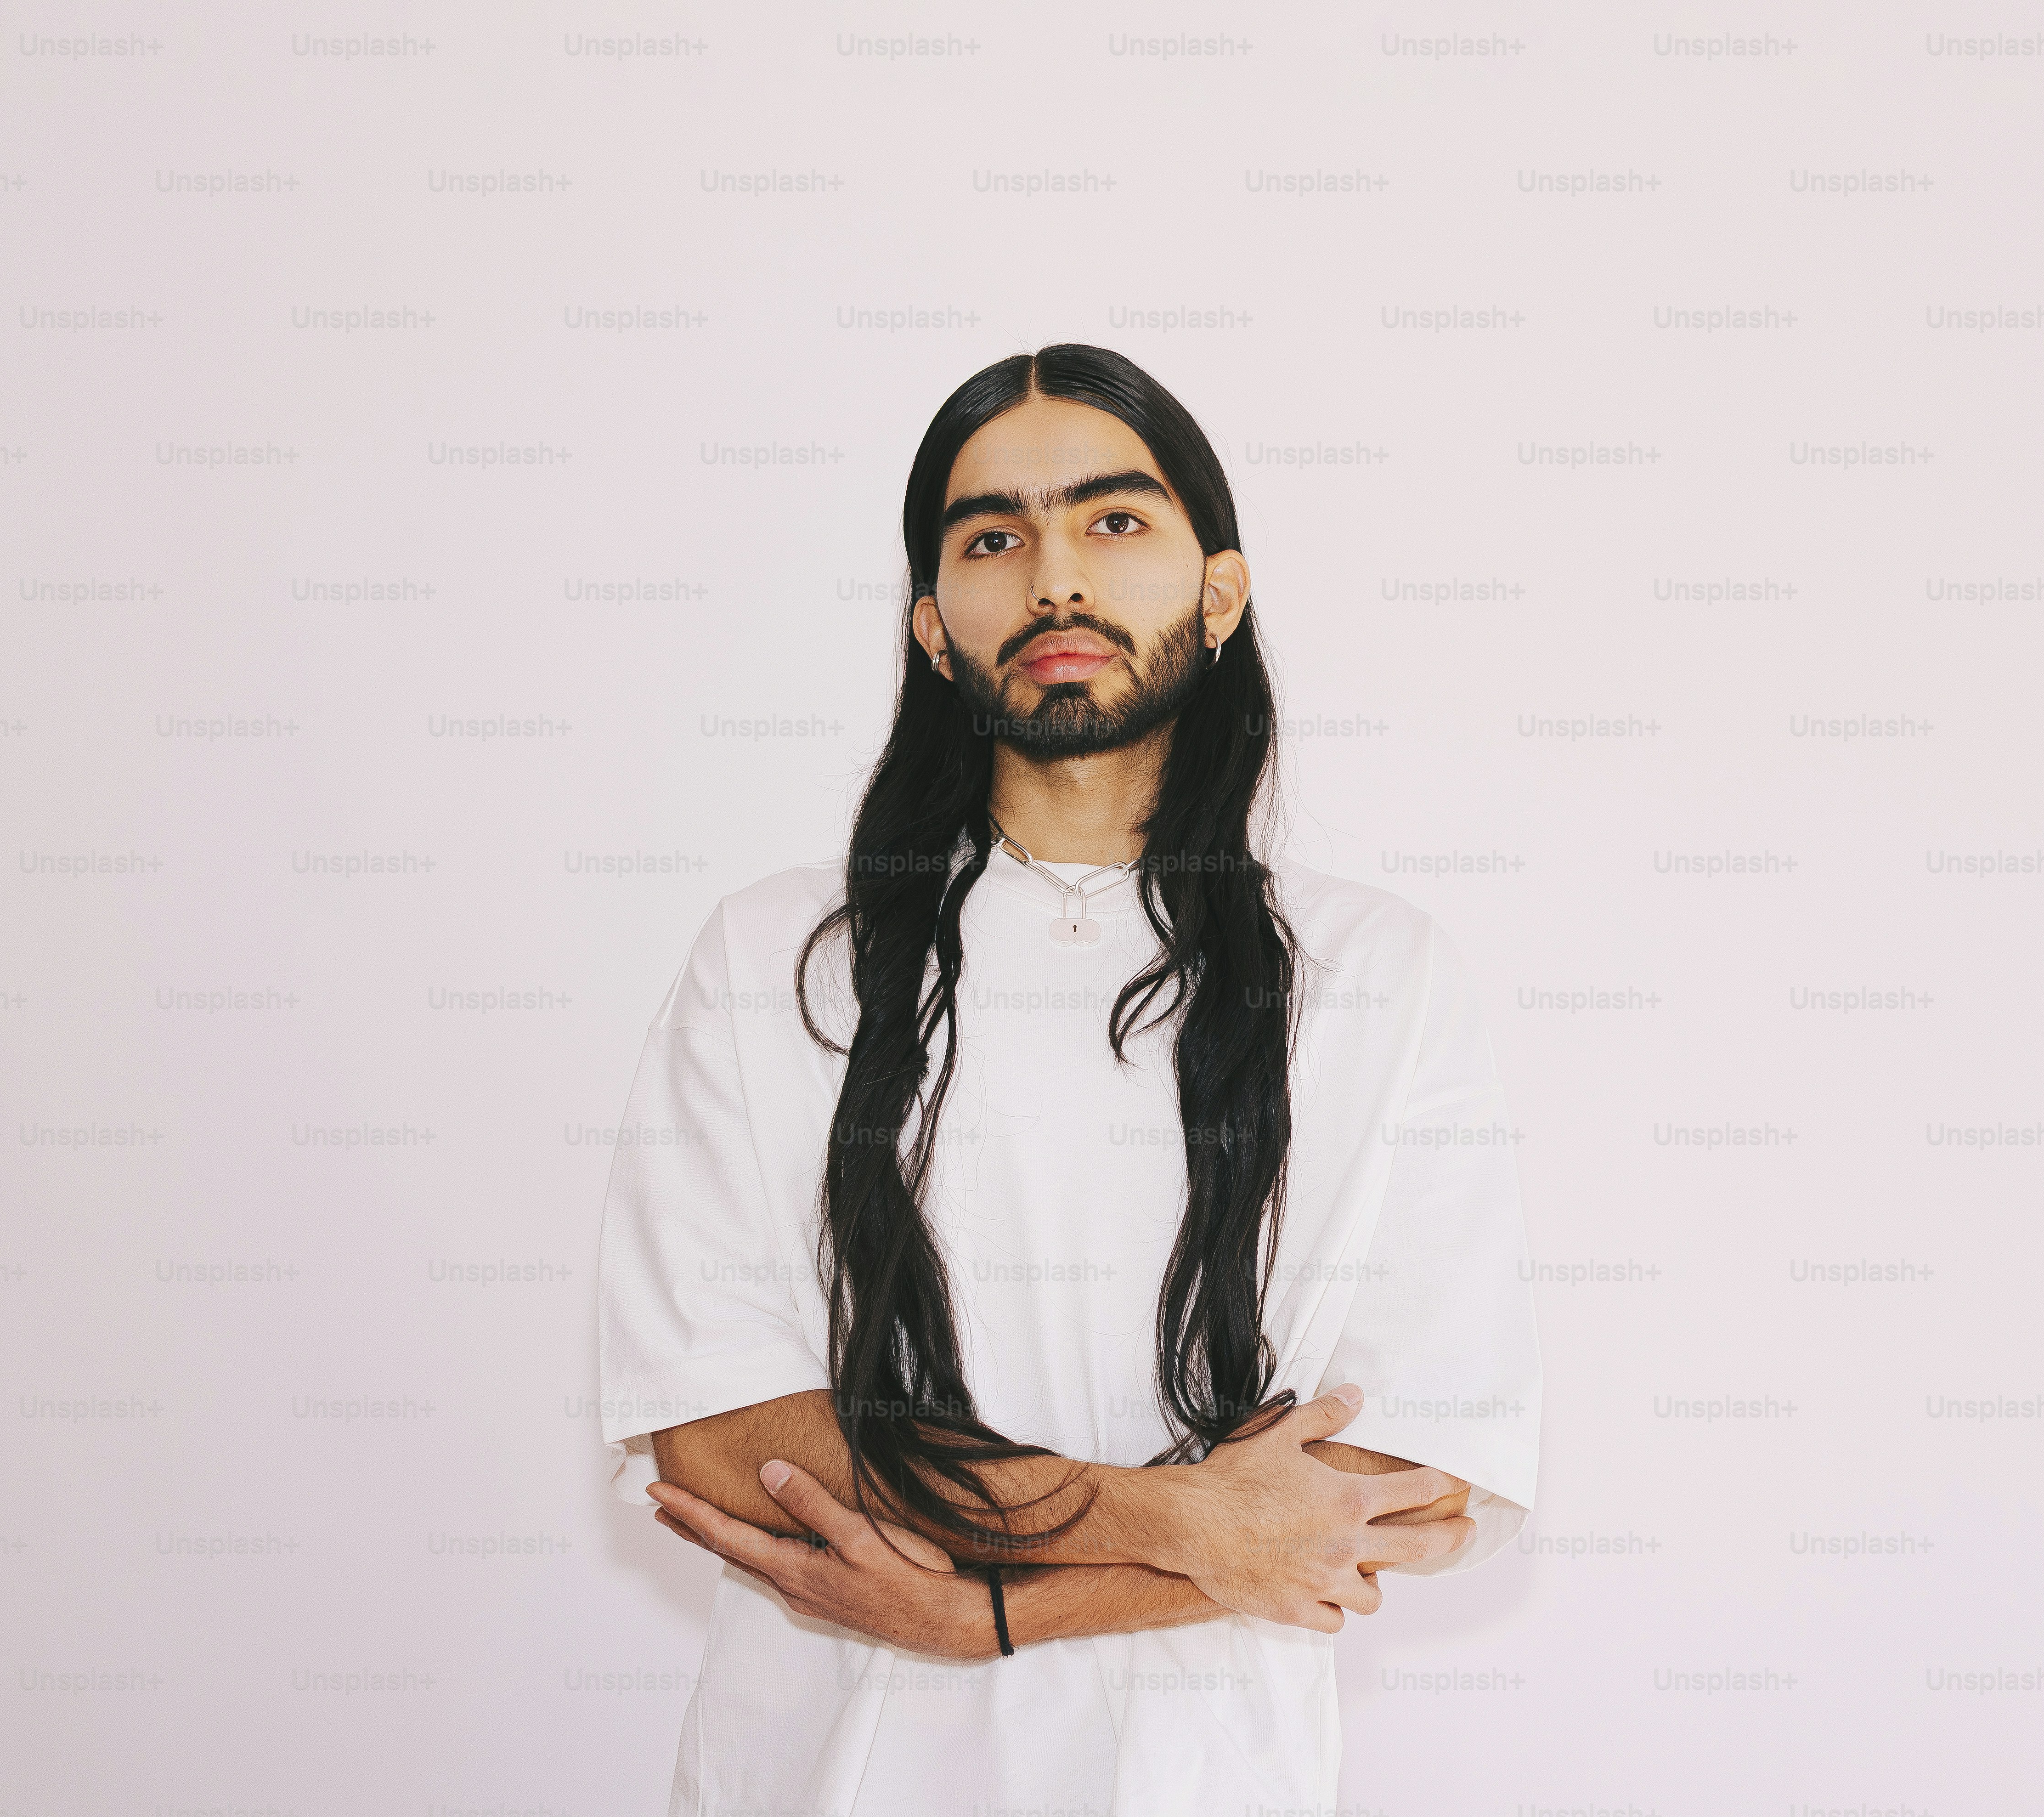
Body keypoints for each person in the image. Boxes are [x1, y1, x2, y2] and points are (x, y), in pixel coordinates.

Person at [595, 343, 1542, 1816]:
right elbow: (721, 1439)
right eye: (993, 537)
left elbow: (1409, 1481)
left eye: (1112, 521)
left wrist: (990, 1613)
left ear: (1218, 589)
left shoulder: (1379, 975)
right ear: (930, 623)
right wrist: (1182, 1521)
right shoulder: (775, 956)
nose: (1053, 578)